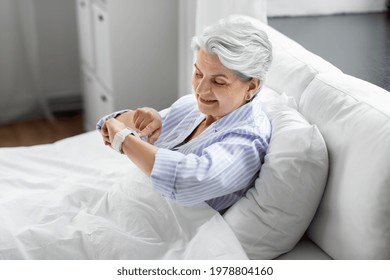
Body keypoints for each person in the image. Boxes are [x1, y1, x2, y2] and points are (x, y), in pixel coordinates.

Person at [97, 16, 273, 212]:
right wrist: (134, 120)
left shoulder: (247, 139)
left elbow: (184, 182)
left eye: (219, 82)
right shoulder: (192, 106)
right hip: (127, 205)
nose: (201, 89)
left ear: (252, 85)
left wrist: (123, 138)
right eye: (198, 73)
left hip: (167, 232)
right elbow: (109, 127)